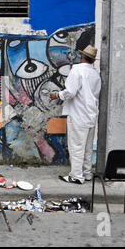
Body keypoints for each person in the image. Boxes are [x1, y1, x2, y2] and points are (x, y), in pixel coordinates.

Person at [50, 45, 101, 184]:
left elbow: (70, 92)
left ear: (82, 56)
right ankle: (87, 173)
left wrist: (57, 95)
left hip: (78, 114)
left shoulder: (77, 70)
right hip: (91, 114)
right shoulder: (95, 73)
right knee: (87, 147)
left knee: (76, 146)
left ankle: (76, 176)